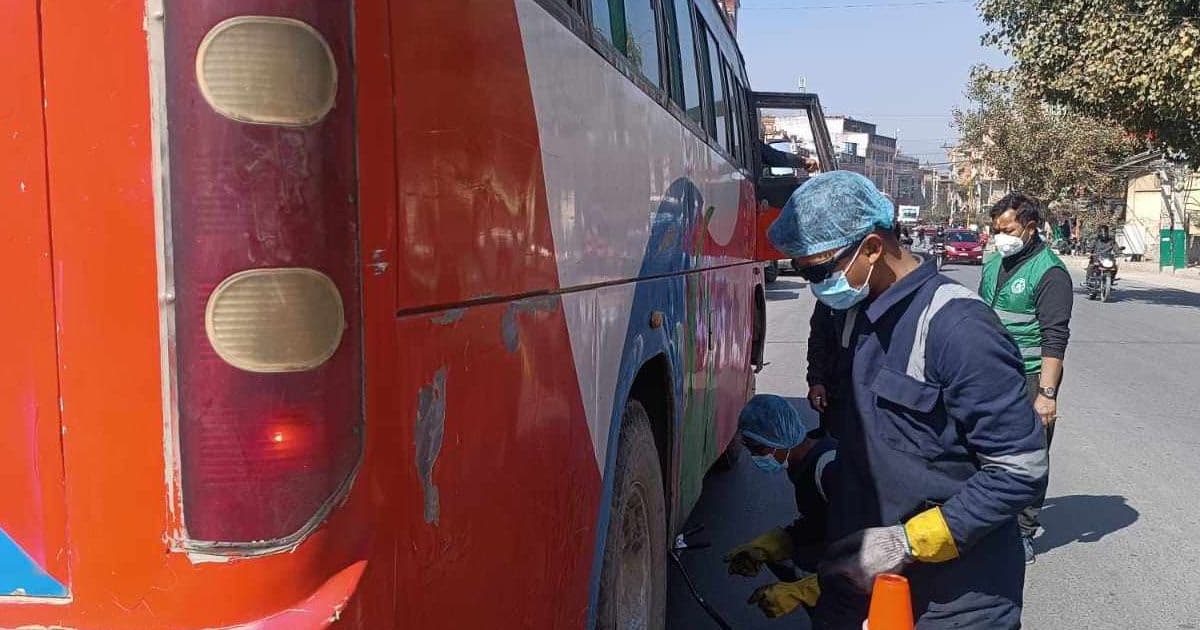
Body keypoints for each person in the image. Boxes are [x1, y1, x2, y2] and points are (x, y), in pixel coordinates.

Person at [768, 171, 1047, 629]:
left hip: (949, 602)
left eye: (817, 270)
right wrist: (801, 537)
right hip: (856, 587)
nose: (812, 283)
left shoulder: (959, 329)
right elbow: (868, 457)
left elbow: (1020, 471)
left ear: (873, 248)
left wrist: (909, 543)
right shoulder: (855, 317)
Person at [982, 193, 1073, 564]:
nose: (1000, 235)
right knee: (983, 449)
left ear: (1031, 227)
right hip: (989, 373)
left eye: (1008, 228)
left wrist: (1047, 395)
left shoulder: (1050, 272)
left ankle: (1023, 531)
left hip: (1030, 378)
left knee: (1030, 456)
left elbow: (1055, 338)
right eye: (995, 229)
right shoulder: (994, 263)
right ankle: (988, 521)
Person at [724, 394, 838, 619]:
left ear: (779, 438)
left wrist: (803, 591)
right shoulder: (803, 463)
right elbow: (819, 524)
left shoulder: (829, 470)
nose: (755, 457)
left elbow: (867, 548)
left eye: (758, 449)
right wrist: (770, 547)